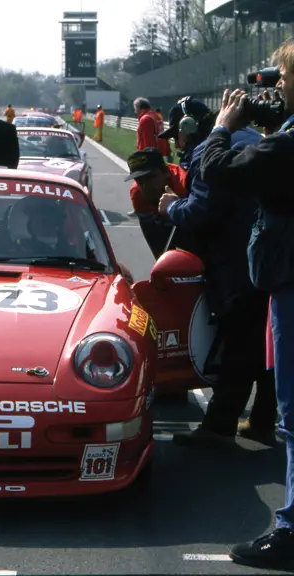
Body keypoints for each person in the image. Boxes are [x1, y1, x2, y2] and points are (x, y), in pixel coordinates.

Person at [200, 41, 294, 567]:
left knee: (293, 416)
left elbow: (220, 170)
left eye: (282, 76)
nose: (277, 86)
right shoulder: (281, 143)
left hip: (290, 285)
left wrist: (222, 124)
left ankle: (290, 532)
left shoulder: (284, 149)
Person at [159, 100, 277, 448]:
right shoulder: (257, 138)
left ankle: (219, 426)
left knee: (236, 345)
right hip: (271, 256)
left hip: (237, 264)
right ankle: (263, 420)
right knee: (265, 346)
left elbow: (202, 211)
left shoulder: (209, 149)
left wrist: (171, 208)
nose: (177, 144)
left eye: (178, 136)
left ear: (191, 127)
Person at [125, 148, 189, 259]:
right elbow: (153, 237)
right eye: (139, 180)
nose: (146, 186)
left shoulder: (184, 185)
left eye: (151, 177)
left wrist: (179, 207)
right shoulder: (137, 194)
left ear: (166, 173)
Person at [158, 97, 214, 173]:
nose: (176, 146)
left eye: (176, 137)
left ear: (188, 126)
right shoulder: (221, 147)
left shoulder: (196, 160)